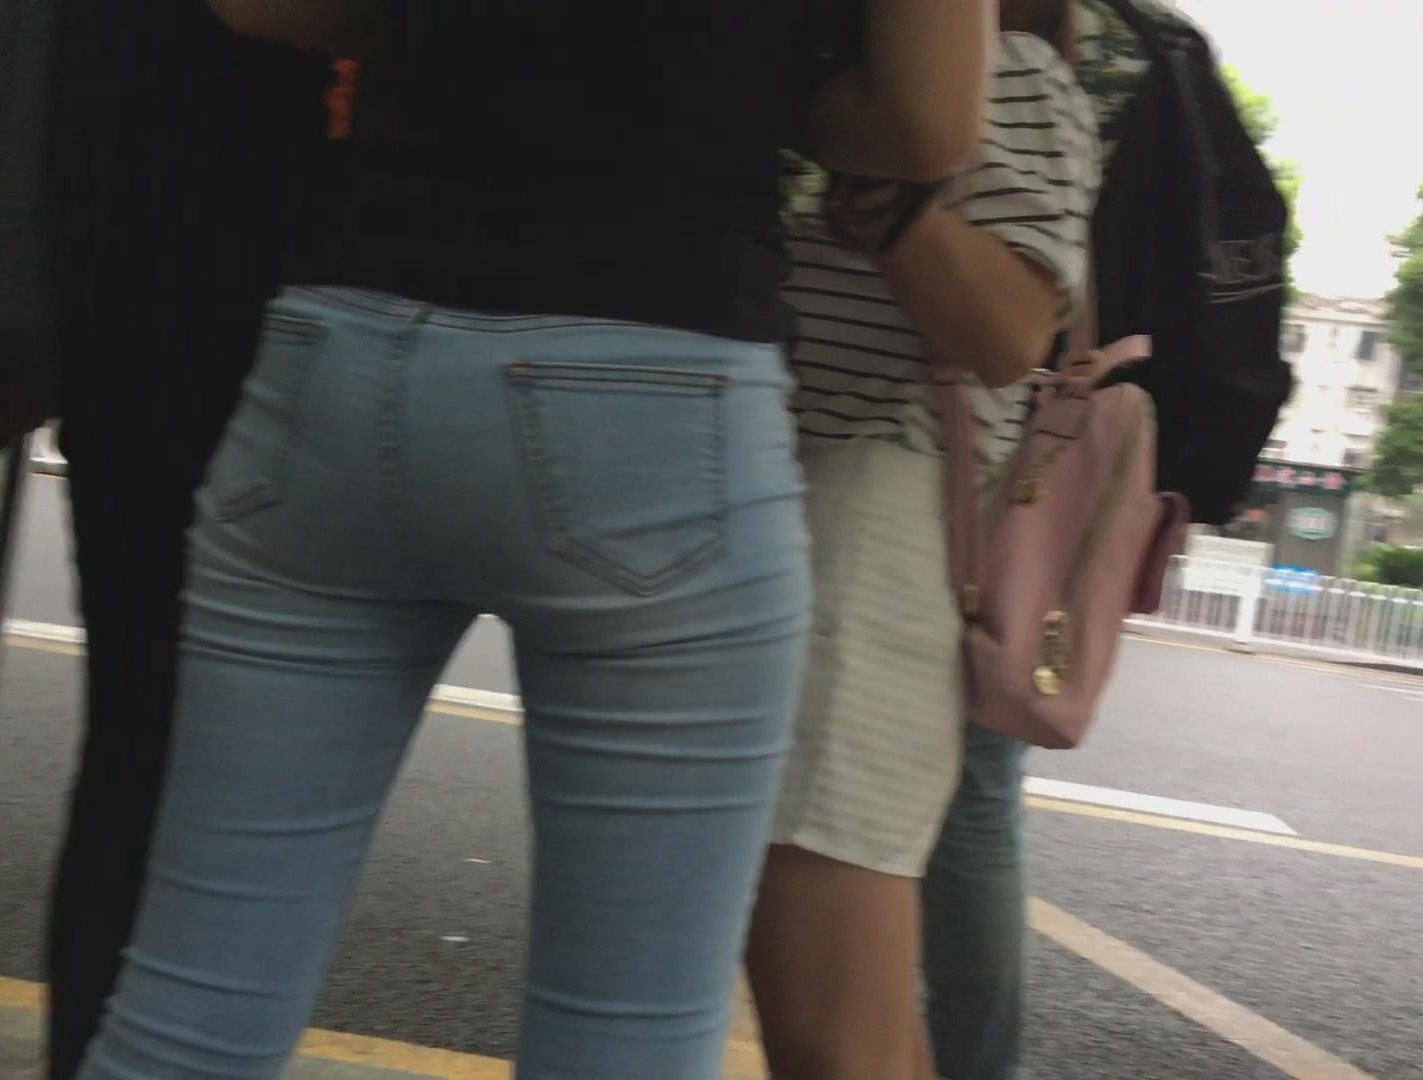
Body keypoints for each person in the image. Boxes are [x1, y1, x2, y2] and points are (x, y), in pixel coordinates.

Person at [72, 4, 997, 1079]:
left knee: (188, 1018)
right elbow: (927, 122)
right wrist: (754, 75)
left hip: (344, 353)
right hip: (655, 381)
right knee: (626, 1038)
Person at [744, 4, 1100, 1079]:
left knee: (828, 1014)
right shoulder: (824, 63)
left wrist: (890, 206)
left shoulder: (1014, 72)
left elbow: (1011, 333)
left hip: (871, 511)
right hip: (787, 503)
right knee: (845, 1005)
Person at [40, 5, 330, 1077]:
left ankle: (92, 1050)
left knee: (143, 746)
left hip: (146, 299)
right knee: (177, 761)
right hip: (236, 291)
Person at [919, 4, 1194, 1076]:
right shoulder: (1132, 54)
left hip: (959, 431)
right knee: (980, 788)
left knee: (911, 788)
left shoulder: (1013, 62)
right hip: (1033, 440)